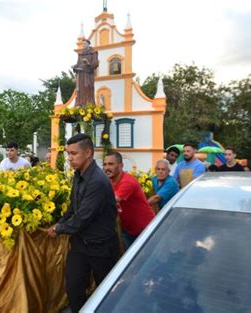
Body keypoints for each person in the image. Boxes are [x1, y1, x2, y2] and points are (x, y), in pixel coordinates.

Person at [46, 134, 119, 313]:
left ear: (88, 153)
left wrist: (58, 229)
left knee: (106, 293)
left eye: (74, 153)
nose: (70, 158)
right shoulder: (79, 175)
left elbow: (83, 217)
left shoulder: (97, 181)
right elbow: (73, 207)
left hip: (101, 248)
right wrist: (60, 222)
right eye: (68, 154)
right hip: (80, 246)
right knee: (74, 289)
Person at [102, 151, 155, 250]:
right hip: (128, 230)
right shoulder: (109, 182)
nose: (106, 168)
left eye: (111, 164)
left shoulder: (127, 181)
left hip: (145, 230)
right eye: (104, 164)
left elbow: (111, 201)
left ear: (121, 165)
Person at [73, 39, 99, 107]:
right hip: (80, 75)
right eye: (83, 44)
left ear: (88, 44)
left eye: (84, 44)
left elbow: (96, 64)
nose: (83, 45)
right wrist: (74, 67)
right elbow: (78, 64)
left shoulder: (93, 53)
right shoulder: (80, 54)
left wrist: (88, 63)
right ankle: (80, 104)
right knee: (80, 90)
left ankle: (89, 104)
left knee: (87, 87)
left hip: (88, 75)